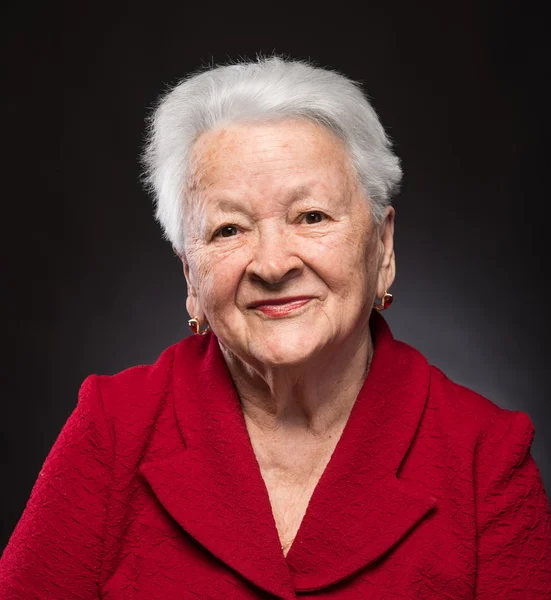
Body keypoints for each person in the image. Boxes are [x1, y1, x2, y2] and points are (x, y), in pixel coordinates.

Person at [1, 56, 550, 599]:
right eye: (228, 230)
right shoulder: (114, 428)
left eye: (311, 217)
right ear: (190, 275)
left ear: (382, 247)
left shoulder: (484, 457)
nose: (271, 264)